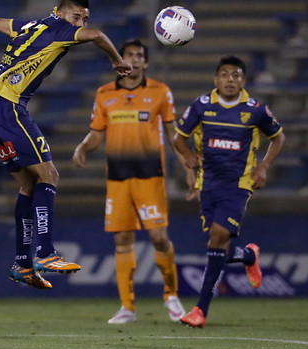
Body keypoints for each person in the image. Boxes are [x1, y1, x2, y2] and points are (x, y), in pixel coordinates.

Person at [0, 0, 132, 289]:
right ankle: (46, 252)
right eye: (77, 17)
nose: (81, 23)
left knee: (28, 184)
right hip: (9, 108)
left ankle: (23, 264)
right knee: (50, 174)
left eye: (84, 18)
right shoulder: (63, 30)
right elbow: (99, 36)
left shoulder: (30, 25)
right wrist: (116, 59)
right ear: (61, 13)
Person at [72, 38, 193, 324]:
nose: (135, 60)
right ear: (119, 60)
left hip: (150, 176)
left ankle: (171, 296)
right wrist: (82, 147)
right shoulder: (104, 94)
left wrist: (188, 161)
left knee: (159, 238)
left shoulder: (160, 92)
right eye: (130, 55)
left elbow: (174, 132)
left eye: (140, 56)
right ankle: (127, 306)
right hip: (118, 178)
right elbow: (98, 133)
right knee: (123, 240)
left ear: (146, 62)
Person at [174, 56, 285, 328]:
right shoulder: (201, 106)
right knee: (217, 246)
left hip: (238, 184)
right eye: (225, 74)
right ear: (216, 80)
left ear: (243, 81)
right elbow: (178, 137)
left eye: (236, 75)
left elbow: (278, 137)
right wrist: (187, 154)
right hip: (207, 183)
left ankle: (200, 310)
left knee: (217, 236)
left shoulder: (256, 110)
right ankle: (247, 255)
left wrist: (264, 167)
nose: (230, 79)